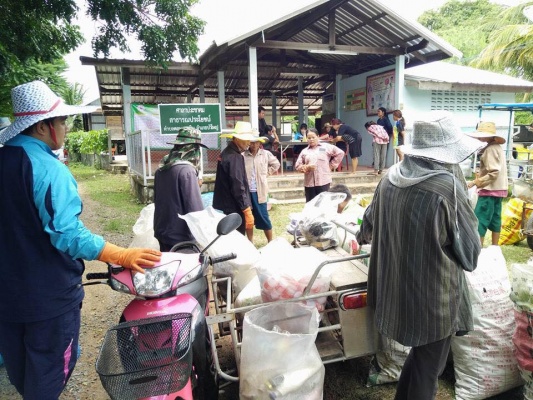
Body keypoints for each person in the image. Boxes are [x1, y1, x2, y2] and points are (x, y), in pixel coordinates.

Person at [0, 80, 161, 399]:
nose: (65, 128)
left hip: (6, 297)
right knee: (47, 376)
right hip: (48, 298)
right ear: (43, 126)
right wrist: (120, 254)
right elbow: (67, 233)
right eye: (62, 121)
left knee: (22, 370)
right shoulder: (48, 168)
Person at [356, 112, 484, 400]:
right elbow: (470, 255)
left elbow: (366, 228)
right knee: (429, 368)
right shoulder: (445, 188)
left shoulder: (389, 178)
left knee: (422, 360)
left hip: (396, 290)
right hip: (434, 299)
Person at [153, 127, 208, 251]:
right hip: (181, 237)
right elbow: (195, 209)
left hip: (162, 230)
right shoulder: (187, 171)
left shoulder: (162, 167)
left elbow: (157, 199)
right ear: (193, 148)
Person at [466, 121, 508, 247]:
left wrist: (475, 182)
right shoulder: (497, 147)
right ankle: (495, 247)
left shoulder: (490, 149)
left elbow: (494, 172)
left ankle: (478, 249)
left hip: (489, 190)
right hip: (499, 190)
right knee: (495, 219)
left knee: (480, 219)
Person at [213, 121, 256, 235]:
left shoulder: (226, 152)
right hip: (235, 207)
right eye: (246, 139)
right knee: (236, 237)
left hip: (228, 205)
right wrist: (246, 210)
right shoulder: (234, 157)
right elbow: (238, 185)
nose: (249, 143)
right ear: (236, 139)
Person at [243, 134, 280, 243]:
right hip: (247, 192)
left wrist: (266, 173)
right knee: (248, 219)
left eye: (256, 142)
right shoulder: (243, 155)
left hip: (260, 191)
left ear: (260, 143)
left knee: (264, 217)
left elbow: (276, 164)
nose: (254, 145)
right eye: (252, 142)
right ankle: (250, 242)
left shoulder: (265, 154)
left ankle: (270, 242)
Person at [294, 129, 345, 202]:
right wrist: (306, 167)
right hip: (309, 183)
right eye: (309, 138)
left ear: (317, 136)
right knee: (310, 204)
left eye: (313, 137)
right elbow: (297, 165)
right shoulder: (304, 151)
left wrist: (331, 165)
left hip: (323, 181)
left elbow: (340, 153)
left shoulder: (326, 147)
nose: (311, 139)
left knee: (323, 204)